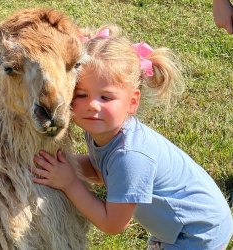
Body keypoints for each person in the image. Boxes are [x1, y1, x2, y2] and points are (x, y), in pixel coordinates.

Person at [31, 25, 233, 249]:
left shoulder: (131, 157)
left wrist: (70, 183)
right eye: (81, 95)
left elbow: (112, 224)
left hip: (197, 232)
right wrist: (63, 164)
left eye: (106, 97)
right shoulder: (102, 132)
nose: (92, 105)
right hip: (177, 224)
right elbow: (102, 170)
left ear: (133, 102)